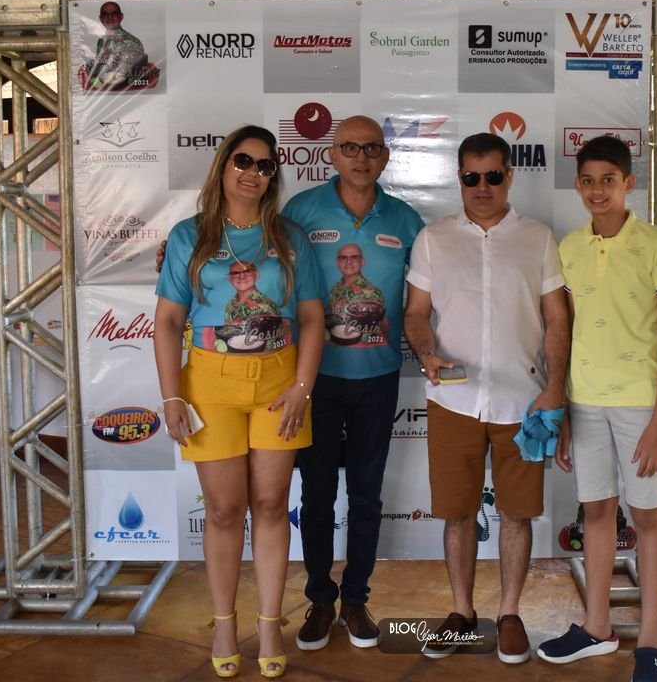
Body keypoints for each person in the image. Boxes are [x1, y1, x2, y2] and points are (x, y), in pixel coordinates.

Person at [154, 125, 324, 679]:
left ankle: (270, 624)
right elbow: (168, 322)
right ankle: (224, 624)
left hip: (279, 383)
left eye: (265, 165)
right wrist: (172, 395)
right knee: (225, 510)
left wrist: (301, 387)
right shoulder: (190, 236)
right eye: (243, 161)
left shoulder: (290, 238)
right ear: (224, 166)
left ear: (274, 176)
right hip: (210, 383)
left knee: (272, 506)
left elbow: (311, 318)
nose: (254, 173)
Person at [403, 132, 569, 665]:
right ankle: (461, 613)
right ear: (459, 178)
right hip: (454, 400)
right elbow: (415, 313)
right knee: (457, 515)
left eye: (493, 176)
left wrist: (555, 388)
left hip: (523, 402)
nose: (482, 186)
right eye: (471, 177)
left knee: (517, 515)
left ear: (509, 177)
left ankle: (511, 614)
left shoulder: (538, 238)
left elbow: (557, 319)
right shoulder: (433, 238)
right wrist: (426, 352)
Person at [535, 135, 657, 682]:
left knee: (647, 517)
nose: (597, 190)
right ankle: (597, 628)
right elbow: (566, 331)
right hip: (585, 400)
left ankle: (650, 643)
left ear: (628, 183)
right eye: (588, 181)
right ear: (578, 186)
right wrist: (565, 410)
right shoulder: (570, 247)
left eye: (608, 180)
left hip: (640, 404)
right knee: (596, 513)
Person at [282, 115, 424, 652]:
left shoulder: (406, 220)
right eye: (349, 147)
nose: (361, 158)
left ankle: (356, 598)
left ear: (384, 156)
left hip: (378, 379)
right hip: (314, 379)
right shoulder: (300, 211)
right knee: (317, 495)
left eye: (371, 148)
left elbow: (430, 295)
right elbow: (271, 275)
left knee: (366, 494)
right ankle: (320, 598)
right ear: (332, 155)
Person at [85, 1, 151, 90]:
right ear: (101, 18)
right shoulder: (102, 41)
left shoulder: (132, 42)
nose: (110, 17)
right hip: (105, 91)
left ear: (121, 17)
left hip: (125, 91)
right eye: (105, 14)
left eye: (114, 13)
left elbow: (135, 74)